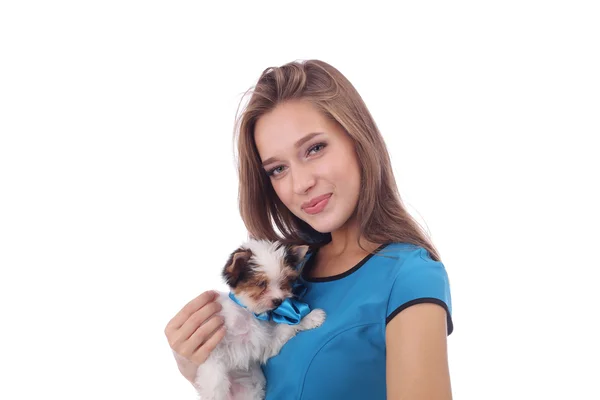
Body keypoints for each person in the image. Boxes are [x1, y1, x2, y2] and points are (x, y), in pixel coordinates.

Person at [164, 59, 454, 399]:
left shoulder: (408, 275)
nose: (301, 183)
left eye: (314, 149)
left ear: (358, 139)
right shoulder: (291, 268)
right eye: (277, 169)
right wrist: (201, 365)